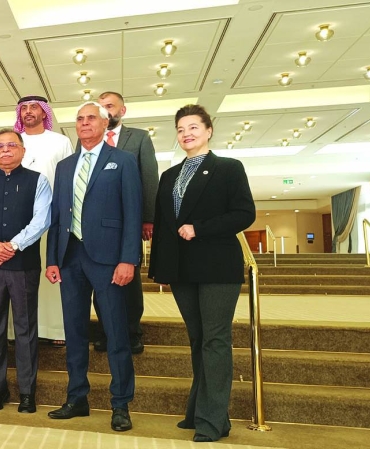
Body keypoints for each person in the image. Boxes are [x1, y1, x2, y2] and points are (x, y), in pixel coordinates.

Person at [148, 104, 255, 443]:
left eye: (194, 127)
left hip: (216, 265)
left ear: (209, 130)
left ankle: (213, 421)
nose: (187, 133)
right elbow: (165, 226)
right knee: (198, 339)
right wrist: (162, 269)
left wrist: (201, 229)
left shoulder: (228, 168)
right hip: (182, 269)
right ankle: (198, 410)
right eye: (181, 129)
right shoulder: (169, 175)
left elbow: (244, 213)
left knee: (215, 340)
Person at [45, 102, 142, 432]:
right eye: (80, 119)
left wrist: (129, 258)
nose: (84, 123)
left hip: (110, 261)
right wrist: (52, 259)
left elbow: (133, 213)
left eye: (91, 118)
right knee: (74, 333)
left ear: (105, 123)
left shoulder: (123, 161)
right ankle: (77, 398)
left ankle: (120, 404)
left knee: (116, 334)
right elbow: (57, 216)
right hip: (70, 258)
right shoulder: (65, 166)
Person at [0, 130, 52, 413]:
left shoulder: (37, 181)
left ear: (22, 150)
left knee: (25, 329)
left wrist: (13, 246)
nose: (5, 150)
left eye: (11, 146)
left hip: (23, 266)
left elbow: (42, 219)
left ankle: (27, 392)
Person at [90, 91, 160, 354]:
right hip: (97, 225)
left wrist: (148, 218)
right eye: (102, 107)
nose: (107, 111)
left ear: (122, 110)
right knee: (100, 280)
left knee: (129, 280)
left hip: (129, 221)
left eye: (110, 106)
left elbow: (149, 177)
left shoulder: (138, 138)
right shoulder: (87, 141)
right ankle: (107, 332)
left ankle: (132, 333)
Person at [16, 95, 73, 347]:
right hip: (17, 222)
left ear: (44, 112)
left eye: (34, 107)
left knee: (51, 275)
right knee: (18, 279)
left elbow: (68, 180)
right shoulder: (14, 142)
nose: (28, 112)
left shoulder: (60, 141)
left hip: (51, 220)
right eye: (24, 108)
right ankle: (15, 331)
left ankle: (54, 329)